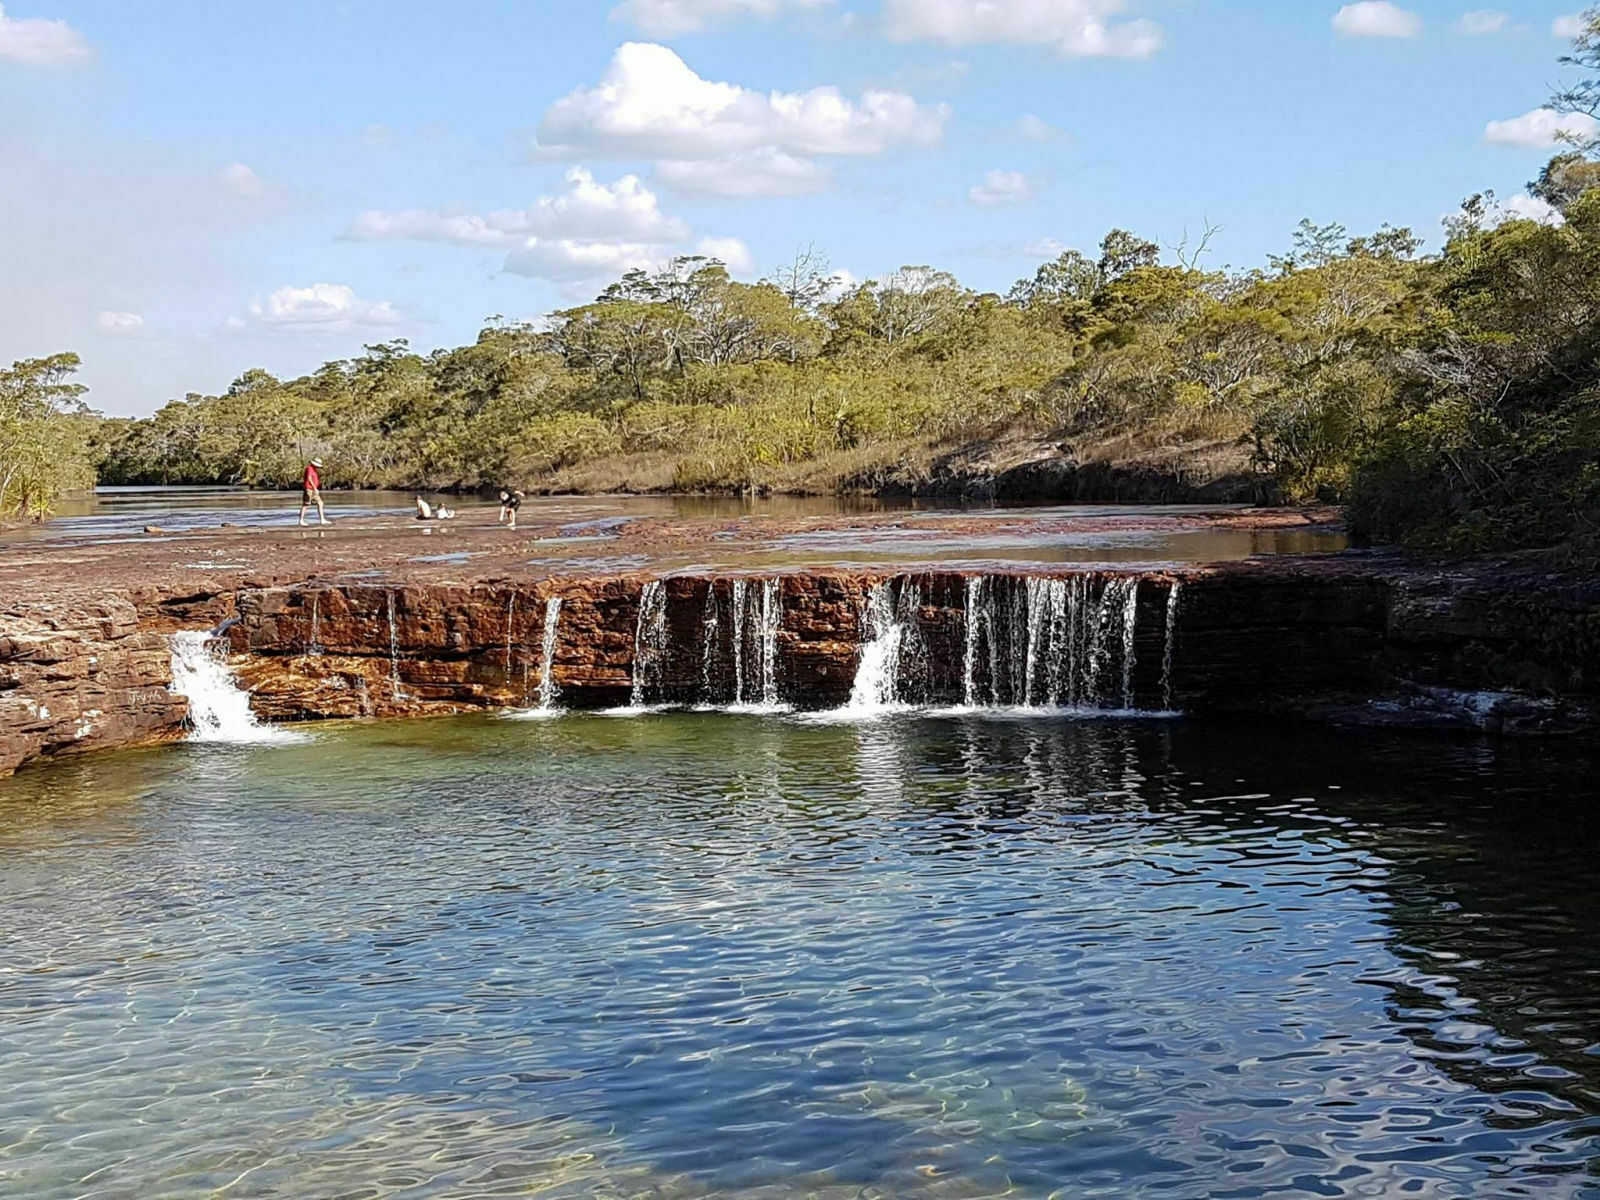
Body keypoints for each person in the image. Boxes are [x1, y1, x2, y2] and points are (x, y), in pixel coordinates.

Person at [299, 459, 329, 526]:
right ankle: (301, 520)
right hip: (309, 489)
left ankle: (322, 520)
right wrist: (315, 488)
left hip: (313, 489)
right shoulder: (309, 468)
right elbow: (309, 478)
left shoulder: (314, 470)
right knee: (306, 504)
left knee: (320, 503)